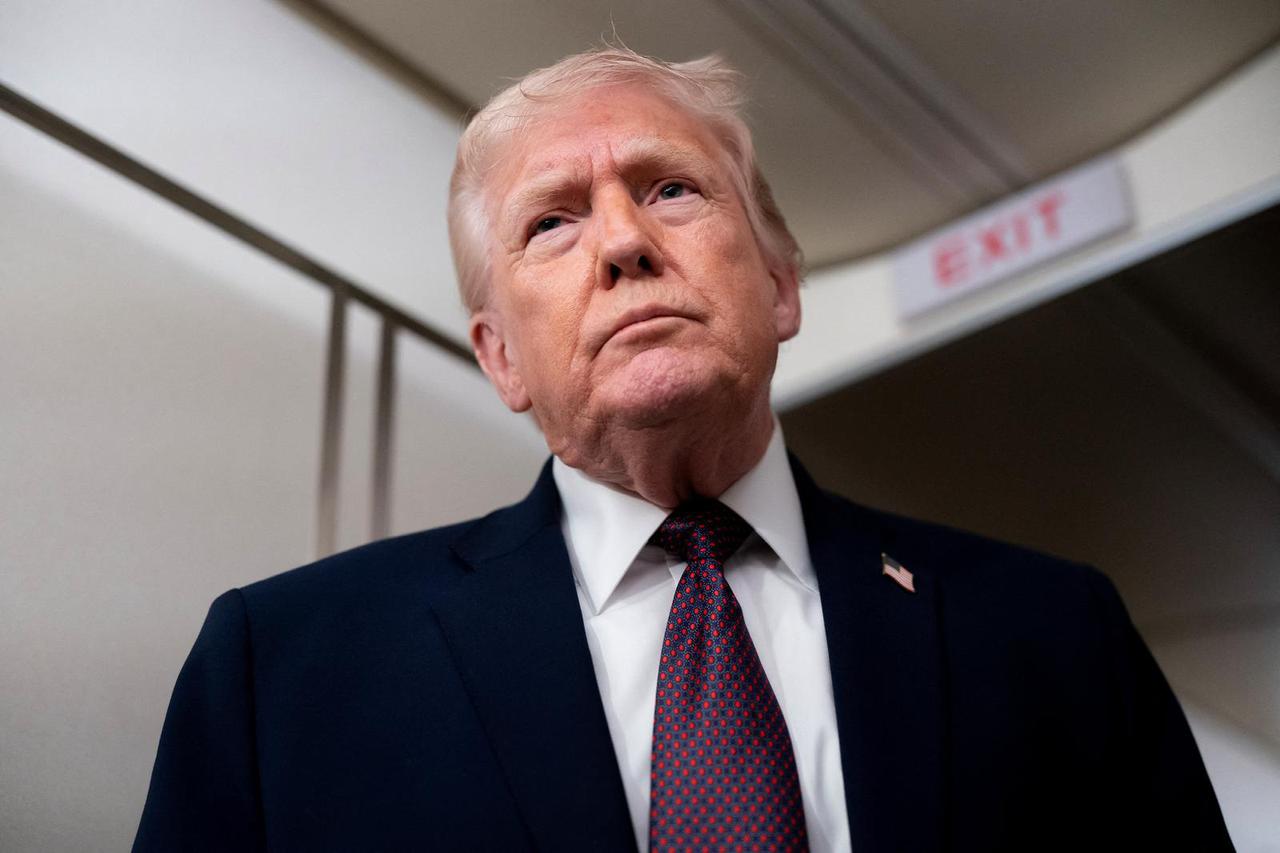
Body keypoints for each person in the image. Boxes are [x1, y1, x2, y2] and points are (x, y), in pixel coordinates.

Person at [133, 47, 1234, 852]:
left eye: (668, 188)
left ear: (782, 283)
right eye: (550, 222)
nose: (621, 242)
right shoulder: (277, 673)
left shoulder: (1052, 636)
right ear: (500, 358)